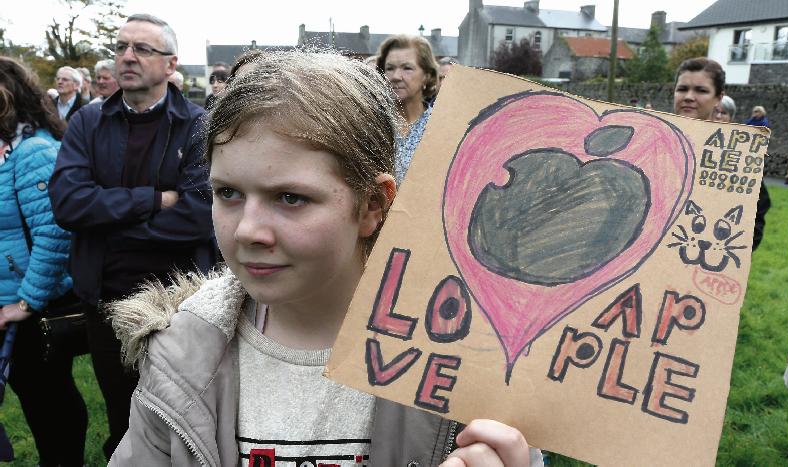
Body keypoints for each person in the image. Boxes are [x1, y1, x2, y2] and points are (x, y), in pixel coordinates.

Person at [107, 50, 542, 467]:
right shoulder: (182, 355)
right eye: (229, 193)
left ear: (373, 204)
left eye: (291, 198)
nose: (247, 231)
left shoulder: (464, 360)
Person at [48, 13, 214, 459]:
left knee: (182, 415)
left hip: (178, 302)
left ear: (170, 64)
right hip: (106, 297)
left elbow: (201, 214)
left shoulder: (198, 126)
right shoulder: (88, 122)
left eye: (141, 49)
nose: (126, 57)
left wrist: (110, 217)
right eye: (121, 47)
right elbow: (68, 204)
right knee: (122, 415)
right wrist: (154, 201)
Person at [0, 56, 88, 467]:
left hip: (32, 305)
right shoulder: (6, 148)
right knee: (33, 393)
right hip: (9, 297)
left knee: (48, 400)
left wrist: (26, 303)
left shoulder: (33, 151)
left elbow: (55, 233)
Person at [709, 93, 771, 250]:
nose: (718, 116)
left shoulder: (742, 153)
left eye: (723, 113)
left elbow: (760, 200)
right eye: (714, 112)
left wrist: (749, 243)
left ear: (730, 117)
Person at [377, 35, 438, 184]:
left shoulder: (439, 125)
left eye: (407, 68)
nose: (396, 76)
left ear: (427, 76)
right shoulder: (372, 123)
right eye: (390, 68)